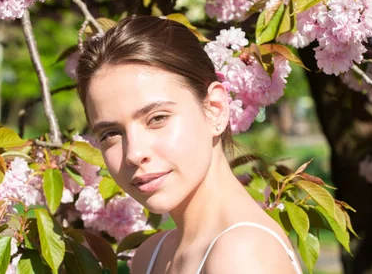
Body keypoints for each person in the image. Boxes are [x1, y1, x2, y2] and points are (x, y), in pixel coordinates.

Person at [75, 15, 303, 274]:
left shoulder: (241, 254)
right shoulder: (150, 255)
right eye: (111, 133)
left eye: (157, 118)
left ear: (215, 109)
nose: (134, 153)